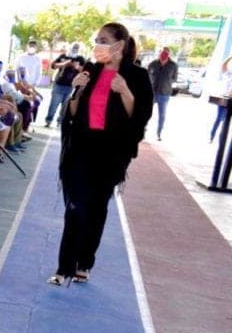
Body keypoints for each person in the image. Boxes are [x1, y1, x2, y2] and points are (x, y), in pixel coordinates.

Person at [51, 22, 152, 286]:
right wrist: (77, 89)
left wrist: (125, 92)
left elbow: (140, 118)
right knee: (74, 207)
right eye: (96, 39)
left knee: (96, 209)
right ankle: (64, 268)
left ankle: (84, 262)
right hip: (81, 149)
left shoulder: (138, 76)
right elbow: (72, 114)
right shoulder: (90, 70)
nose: (98, 44)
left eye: (103, 39)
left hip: (111, 153)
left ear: (119, 45)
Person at [43, 48, 84, 129]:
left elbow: (85, 70)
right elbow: (53, 65)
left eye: (76, 48)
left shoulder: (80, 58)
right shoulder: (63, 56)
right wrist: (65, 63)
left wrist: (77, 66)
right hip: (59, 85)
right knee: (54, 105)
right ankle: (48, 121)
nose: (74, 50)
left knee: (65, 107)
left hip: (71, 87)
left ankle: (60, 122)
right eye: (73, 47)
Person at [147, 47, 177, 141]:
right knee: (147, 112)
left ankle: (159, 133)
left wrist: (167, 81)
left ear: (168, 55)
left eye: (166, 54)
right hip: (152, 92)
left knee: (162, 114)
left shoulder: (173, 65)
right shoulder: (153, 64)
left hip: (164, 93)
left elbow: (174, 78)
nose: (163, 56)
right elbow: (147, 75)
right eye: (162, 54)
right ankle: (143, 130)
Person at [210, 54, 232, 143]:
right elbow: (223, 66)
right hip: (224, 98)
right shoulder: (229, 73)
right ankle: (212, 136)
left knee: (225, 120)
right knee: (219, 118)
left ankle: (221, 139)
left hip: (231, 100)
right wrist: (230, 57)